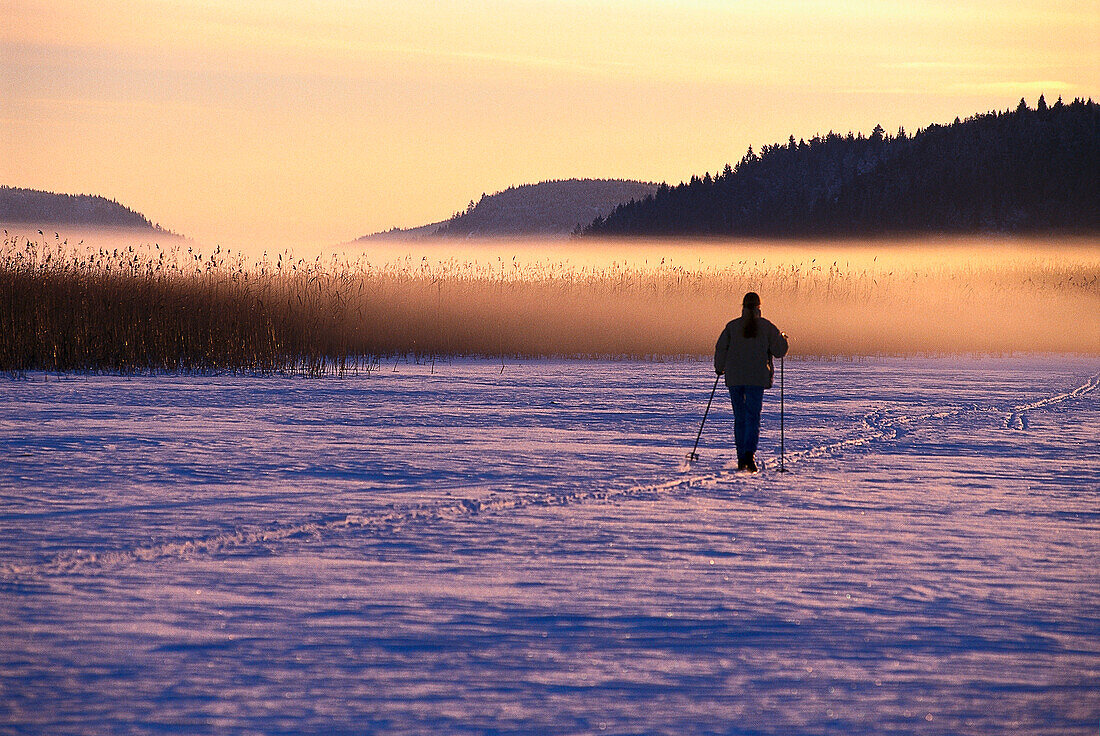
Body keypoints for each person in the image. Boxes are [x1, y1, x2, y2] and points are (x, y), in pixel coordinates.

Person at [714, 292, 789, 472]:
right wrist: (784, 339)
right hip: (756, 379)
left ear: (743, 306)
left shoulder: (732, 327)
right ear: (759, 307)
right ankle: (749, 454)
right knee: (752, 417)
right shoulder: (766, 327)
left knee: (740, 418)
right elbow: (779, 351)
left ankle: (741, 457)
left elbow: (721, 348)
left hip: (735, 379)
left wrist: (719, 367)